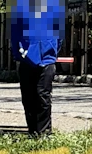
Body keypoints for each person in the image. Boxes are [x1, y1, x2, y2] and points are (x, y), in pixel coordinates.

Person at [12, 0, 65, 135]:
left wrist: (53, 52)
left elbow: (59, 33)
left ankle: (44, 132)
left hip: (47, 58)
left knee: (43, 95)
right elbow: (15, 31)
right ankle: (33, 131)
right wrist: (18, 53)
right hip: (26, 58)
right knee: (28, 97)